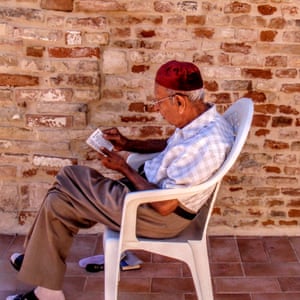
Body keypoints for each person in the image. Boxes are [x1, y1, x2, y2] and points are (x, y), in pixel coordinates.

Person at [7, 60, 235, 300]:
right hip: (148, 197)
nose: (157, 109)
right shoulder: (201, 119)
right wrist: (127, 143)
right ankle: (47, 289)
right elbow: (170, 147)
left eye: (158, 102)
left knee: (70, 175)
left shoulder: (209, 144)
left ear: (179, 101)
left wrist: (124, 168)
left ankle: (36, 259)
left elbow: (166, 205)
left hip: (158, 216)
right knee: (58, 203)